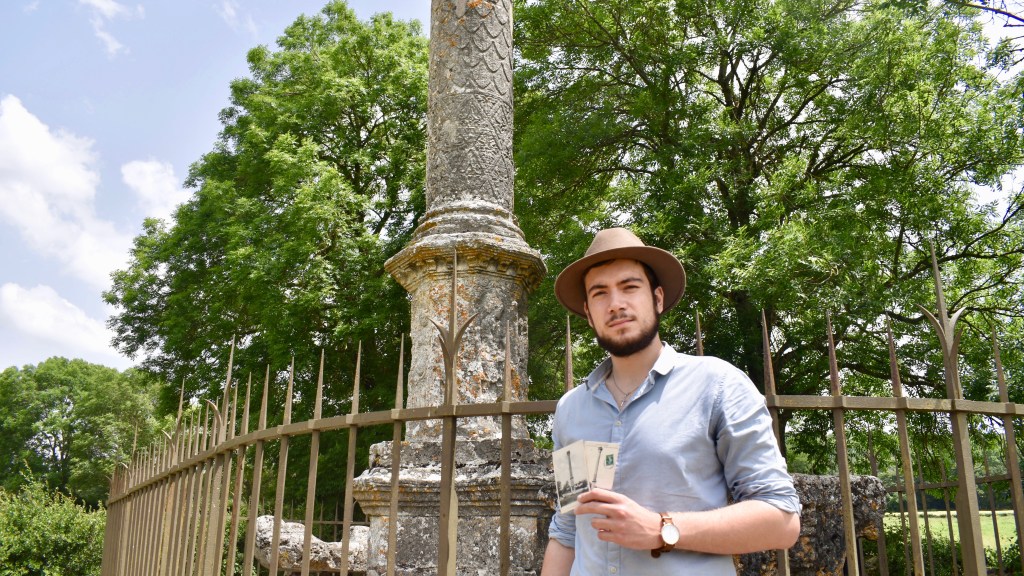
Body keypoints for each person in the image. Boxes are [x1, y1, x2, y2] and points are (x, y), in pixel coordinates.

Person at [541, 227, 801, 575]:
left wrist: (661, 528)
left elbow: (781, 520)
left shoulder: (717, 386)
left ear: (658, 298)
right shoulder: (571, 410)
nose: (616, 303)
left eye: (630, 287)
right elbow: (570, 528)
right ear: (589, 313)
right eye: (600, 293)